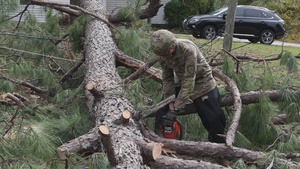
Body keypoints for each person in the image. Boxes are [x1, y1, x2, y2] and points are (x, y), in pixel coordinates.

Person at [151, 29, 226, 143]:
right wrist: (170, 102)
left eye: (166, 54)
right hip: (181, 81)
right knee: (161, 110)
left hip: (202, 82)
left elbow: (189, 80)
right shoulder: (163, 54)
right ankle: (161, 141)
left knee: (212, 118)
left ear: (172, 45)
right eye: (162, 55)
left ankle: (221, 151)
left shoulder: (188, 50)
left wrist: (176, 108)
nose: (165, 57)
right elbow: (167, 79)